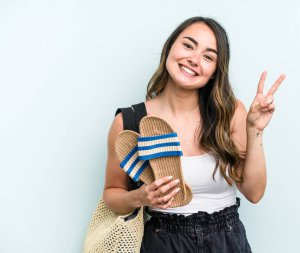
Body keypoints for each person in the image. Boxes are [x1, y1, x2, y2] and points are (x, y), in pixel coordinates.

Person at [103, 16, 285, 253]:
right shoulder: (129, 122)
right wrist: (141, 197)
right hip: (163, 241)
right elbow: (112, 194)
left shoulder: (229, 113)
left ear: (214, 72)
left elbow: (254, 192)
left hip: (226, 240)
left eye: (208, 57)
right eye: (188, 45)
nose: (194, 59)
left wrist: (255, 130)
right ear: (170, 47)